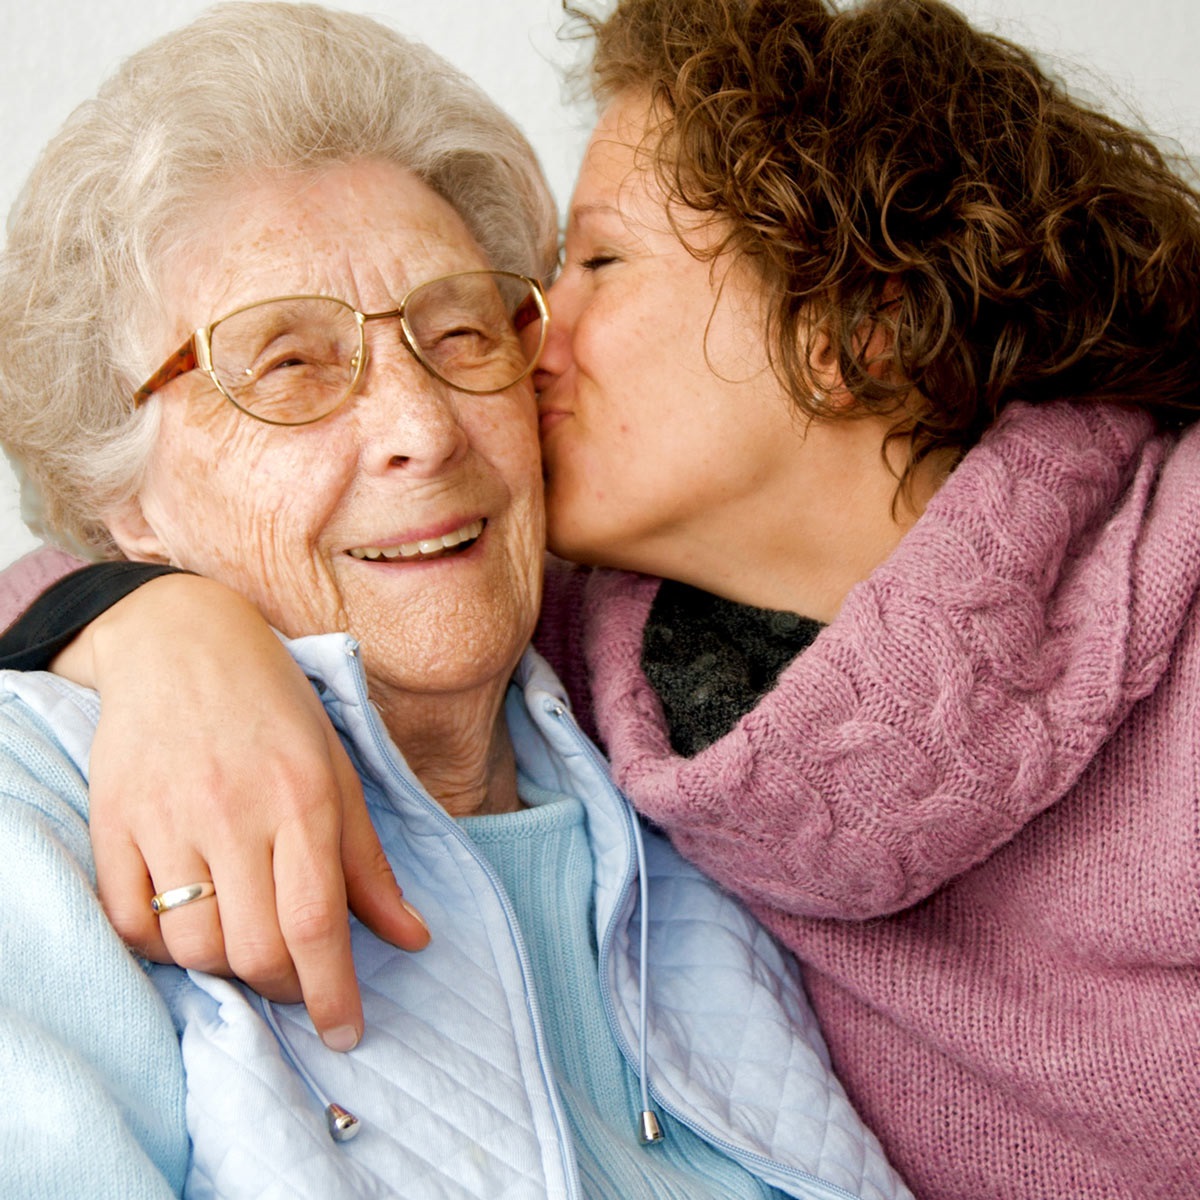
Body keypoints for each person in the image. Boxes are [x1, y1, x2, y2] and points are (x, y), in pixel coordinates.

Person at [4, 0, 1200, 1197]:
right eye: (286, 364)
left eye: (465, 328)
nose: (431, 422)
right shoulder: (52, 810)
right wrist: (158, 626)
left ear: (855, 328)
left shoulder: (633, 728)